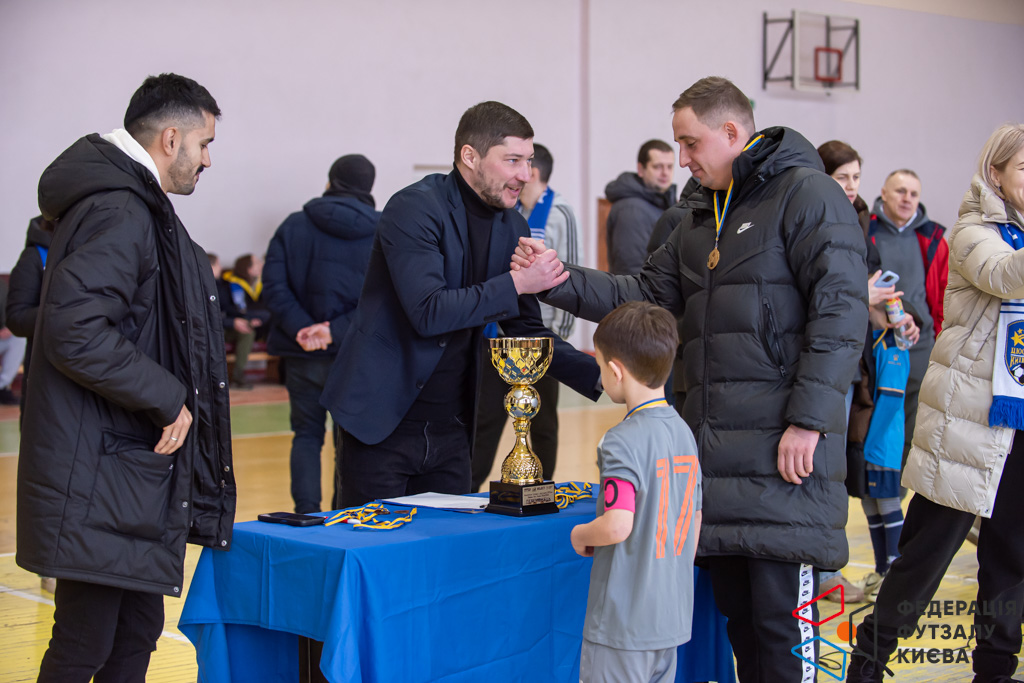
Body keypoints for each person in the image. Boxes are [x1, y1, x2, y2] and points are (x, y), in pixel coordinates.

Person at [514, 76, 868, 681]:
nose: (681, 159)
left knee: (784, 635)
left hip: (786, 458)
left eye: (690, 142)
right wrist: (560, 280)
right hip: (718, 462)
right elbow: (644, 293)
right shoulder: (701, 214)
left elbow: (841, 313)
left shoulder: (808, 194)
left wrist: (808, 421)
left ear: (731, 132)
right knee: (742, 628)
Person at [16, 73, 235, 682]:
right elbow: (75, 331)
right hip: (100, 475)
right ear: (171, 139)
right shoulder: (120, 209)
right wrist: (168, 397)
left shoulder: (137, 207)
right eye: (205, 144)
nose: (208, 160)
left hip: (128, 472)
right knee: (85, 643)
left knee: (133, 638)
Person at [321, 100, 601, 509]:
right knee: (374, 543)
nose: (525, 175)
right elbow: (429, 310)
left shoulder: (513, 224)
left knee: (448, 546)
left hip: (452, 428)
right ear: (470, 156)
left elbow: (525, 330)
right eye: (512, 160)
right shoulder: (414, 207)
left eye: (528, 161)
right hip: (381, 420)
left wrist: (604, 376)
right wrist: (518, 282)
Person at [848, 124, 1024, 683]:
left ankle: (994, 670)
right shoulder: (973, 232)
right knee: (927, 556)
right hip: (968, 420)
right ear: (995, 174)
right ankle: (869, 660)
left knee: (1011, 557)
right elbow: (1006, 276)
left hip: (1018, 423)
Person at [572, 301, 701, 683]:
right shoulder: (684, 432)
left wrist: (580, 534)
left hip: (623, 626)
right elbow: (694, 519)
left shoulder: (621, 440)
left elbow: (617, 524)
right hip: (671, 618)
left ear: (615, 371)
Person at [815, 141, 921, 606]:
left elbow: (879, 287)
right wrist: (864, 293)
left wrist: (904, 317)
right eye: (843, 177)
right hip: (822, 361)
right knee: (829, 469)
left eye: (856, 177)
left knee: (862, 470)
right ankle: (821, 571)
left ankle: (860, 568)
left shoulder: (862, 223)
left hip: (860, 364)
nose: (852, 186)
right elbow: (815, 288)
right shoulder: (811, 217)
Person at [263, 154, 379, 513]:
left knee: (306, 435)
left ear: (330, 182)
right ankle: (343, 514)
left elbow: (273, 286)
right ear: (369, 188)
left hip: (302, 354)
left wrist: (303, 328)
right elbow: (384, 299)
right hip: (355, 354)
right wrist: (335, 331)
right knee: (350, 443)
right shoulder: (384, 231)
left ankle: (308, 515)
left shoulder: (293, 226)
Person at [471, 142, 579, 491]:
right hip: (500, 336)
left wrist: (555, 341)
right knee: (486, 419)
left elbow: (569, 275)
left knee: (542, 423)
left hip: (540, 339)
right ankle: (468, 488)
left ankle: (541, 486)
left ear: (533, 172)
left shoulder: (560, 213)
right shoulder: (508, 210)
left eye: (521, 164)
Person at [868, 169, 949, 478]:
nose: (907, 199)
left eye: (914, 194)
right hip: (877, 345)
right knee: (876, 423)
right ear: (884, 193)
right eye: (900, 191)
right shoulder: (864, 230)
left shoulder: (933, 237)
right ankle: (875, 494)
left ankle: (899, 495)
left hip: (920, 347)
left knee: (912, 428)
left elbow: (943, 295)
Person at [605, 139, 677, 275]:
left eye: (670, 167)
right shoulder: (631, 210)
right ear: (641, 169)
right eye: (657, 167)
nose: (665, 173)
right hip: (641, 288)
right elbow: (631, 270)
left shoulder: (661, 202)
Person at [221, 253, 270, 389]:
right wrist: (245, 320)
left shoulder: (261, 284)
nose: (261, 265)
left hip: (258, 324)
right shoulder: (229, 285)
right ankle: (238, 377)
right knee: (247, 332)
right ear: (248, 269)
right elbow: (230, 310)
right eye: (257, 263)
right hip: (231, 325)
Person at [0, 279, 26, 406]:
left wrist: (7, 327)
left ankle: (2, 386)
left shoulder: (1, 286)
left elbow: (7, 311)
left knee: (18, 338)